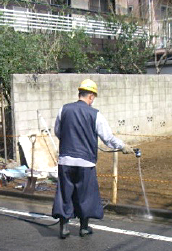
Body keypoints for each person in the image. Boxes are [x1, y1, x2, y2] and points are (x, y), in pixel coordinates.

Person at [52, 79, 134, 239]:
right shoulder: (95, 114)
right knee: (86, 195)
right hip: (85, 162)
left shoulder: (64, 110)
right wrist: (123, 146)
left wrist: (70, 139)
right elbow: (108, 138)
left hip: (65, 161)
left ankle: (64, 228)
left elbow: (57, 132)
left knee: (65, 194)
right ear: (90, 96)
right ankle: (83, 228)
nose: (92, 100)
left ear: (79, 94)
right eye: (93, 97)